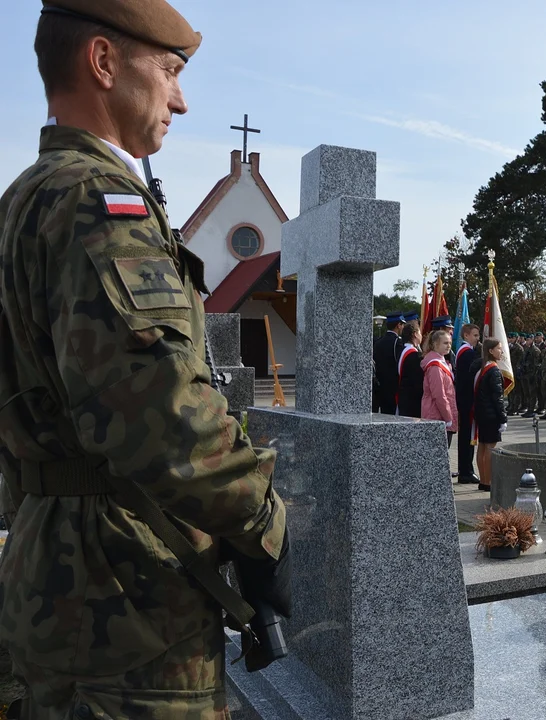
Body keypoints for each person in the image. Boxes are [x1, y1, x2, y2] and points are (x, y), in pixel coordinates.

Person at [0, 2, 291, 715]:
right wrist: (263, 526)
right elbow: (160, 416)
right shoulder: (98, 203)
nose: (182, 100)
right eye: (169, 71)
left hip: (51, 552)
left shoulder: (25, 199)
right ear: (103, 62)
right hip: (122, 584)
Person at [472, 339, 508, 492]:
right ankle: (488, 482)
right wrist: (503, 419)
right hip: (491, 415)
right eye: (499, 349)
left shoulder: (482, 367)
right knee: (490, 449)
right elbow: (497, 397)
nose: (502, 351)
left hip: (481, 413)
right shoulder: (493, 370)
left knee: (482, 446)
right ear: (491, 351)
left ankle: (483, 480)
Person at [455, 324, 482, 484]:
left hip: (464, 400)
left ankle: (465, 469)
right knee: (467, 437)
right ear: (466, 335)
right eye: (475, 335)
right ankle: (466, 471)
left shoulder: (464, 352)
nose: (478, 339)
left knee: (466, 437)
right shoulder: (467, 354)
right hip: (467, 401)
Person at [422, 330, 458, 448]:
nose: (449, 346)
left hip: (441, 415)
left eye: (450, 343)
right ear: (435, 345)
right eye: (445, 343)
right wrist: (448, 417)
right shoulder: (435, 366)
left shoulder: (442, 362)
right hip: (437, 416)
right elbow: (439, 395)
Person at [374, 312, 407, 413]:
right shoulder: (397, 342)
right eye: (402, 325)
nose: (403, 328)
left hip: (380, 388)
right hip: (394, 388)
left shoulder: (378, 341)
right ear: (398, 325)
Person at [397, 323, 424, 417]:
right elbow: (417, 382)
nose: (421, 335)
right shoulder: (414, 356)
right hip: (412, 402)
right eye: (420, 332)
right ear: (415, 334)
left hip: (403, 398)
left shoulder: (402, 350)